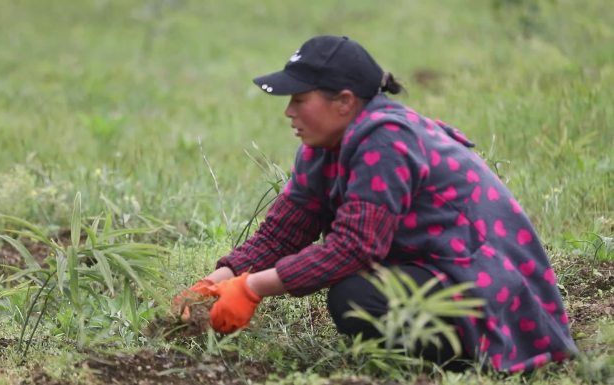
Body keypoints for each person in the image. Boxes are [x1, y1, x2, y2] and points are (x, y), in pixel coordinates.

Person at [172, 35, 577, 372]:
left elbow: (355, 249)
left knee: (357, 297)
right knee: (360, 292)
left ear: (344, 101)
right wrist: (220, 278)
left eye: (299, 99)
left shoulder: (385, 141)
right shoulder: (324, 146)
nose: (288, 111)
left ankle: (469, 368)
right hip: (432, 273)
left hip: (487, 293)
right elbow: (285, 229)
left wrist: (253, 287)